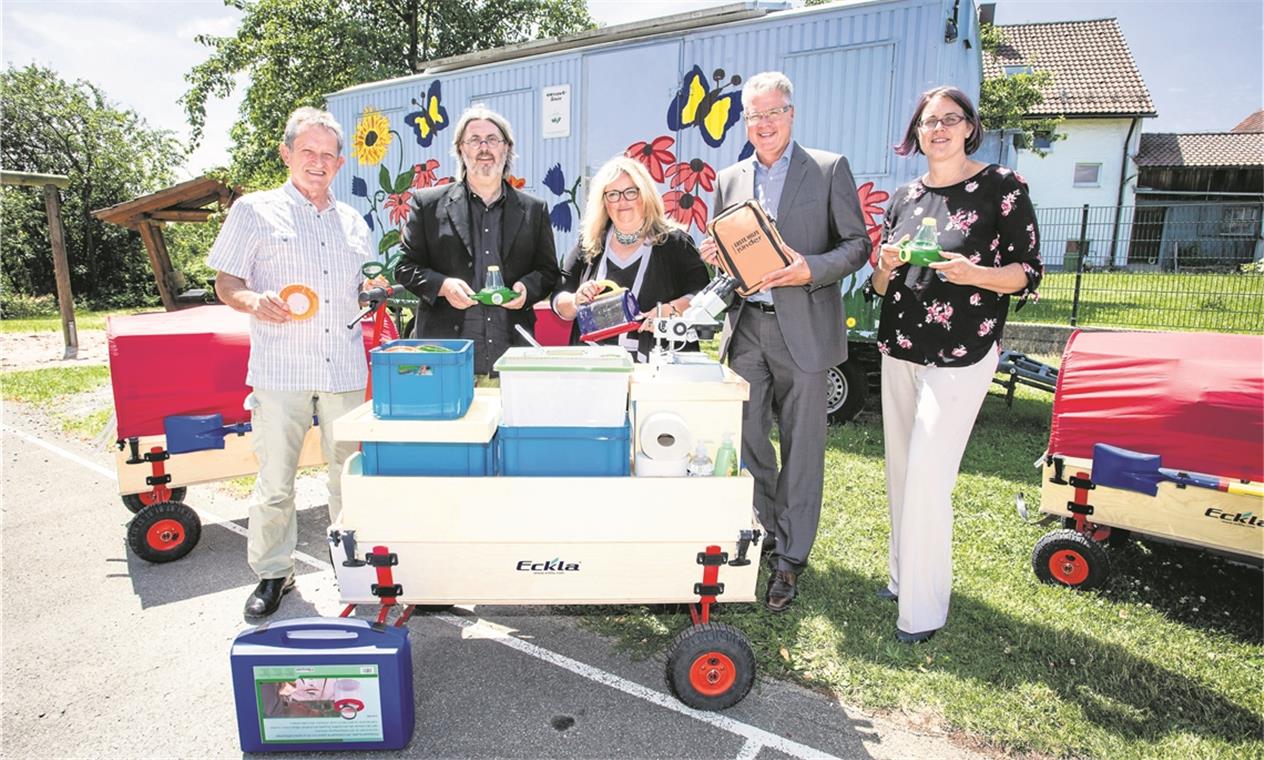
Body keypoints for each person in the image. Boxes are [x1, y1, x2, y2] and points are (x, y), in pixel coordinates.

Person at [867, 86, 1043, 643]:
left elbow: (1028, 272)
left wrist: (976, 274)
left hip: (963, 352)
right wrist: (884, 264)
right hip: (900, 347)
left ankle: (922, 612)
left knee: (926, 475)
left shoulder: (1002, 187)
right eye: (927, 121)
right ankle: (901, 578)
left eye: (950, 119)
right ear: (915, 133)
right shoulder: (904, 196)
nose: (938, 128)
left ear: (970, 126)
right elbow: (877, 285)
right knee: (901, 472)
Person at [698, 71, 870, 613]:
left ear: (791, 114)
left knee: (802, 448)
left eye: (773, 113)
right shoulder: (729, 178)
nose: (764, 124)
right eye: (754, 115)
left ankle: (791, 558)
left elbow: (857, 245)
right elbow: (729, 249)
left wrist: (808, 270)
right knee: (747, 440)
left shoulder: (827, 168)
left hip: (806, 329)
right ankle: (764, 530)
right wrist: (716, 256)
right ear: (743, 121)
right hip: (747, 327)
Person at [210, 107, 382, 618]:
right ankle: (273, 574)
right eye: (308, 151)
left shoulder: (353, 220)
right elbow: (226, 283)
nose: (318, 162)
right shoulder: (254, 211)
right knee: (275, 481)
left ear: (340, 162)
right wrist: (252, 301)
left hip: (343, 371)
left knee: (348, 477)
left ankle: (351, 569)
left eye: (328, 154)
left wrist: (371, 291)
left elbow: (361, 285)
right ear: (286, 154)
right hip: (280, 371)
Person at [395, 105, 559, 374]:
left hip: (512, 356)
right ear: (461, 149)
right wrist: (443, 285)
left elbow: (548, 271)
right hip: (446, 358)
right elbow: (404, 268)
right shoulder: (427, 204)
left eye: (493, 139)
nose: (484, 148)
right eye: (474, 140)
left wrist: (526, 289)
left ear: (506, 148)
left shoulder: (534, 209)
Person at [553, 155, 710, 360]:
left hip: (657, 370)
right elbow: (559, 298)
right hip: (595, 369)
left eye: (630, 192)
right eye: (613, 195)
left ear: (644, 196)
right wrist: (576, 300)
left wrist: (669, 311)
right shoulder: (590, 243)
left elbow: (702, 295)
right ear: (603, 202)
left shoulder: (675, 243)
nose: (622, 201)